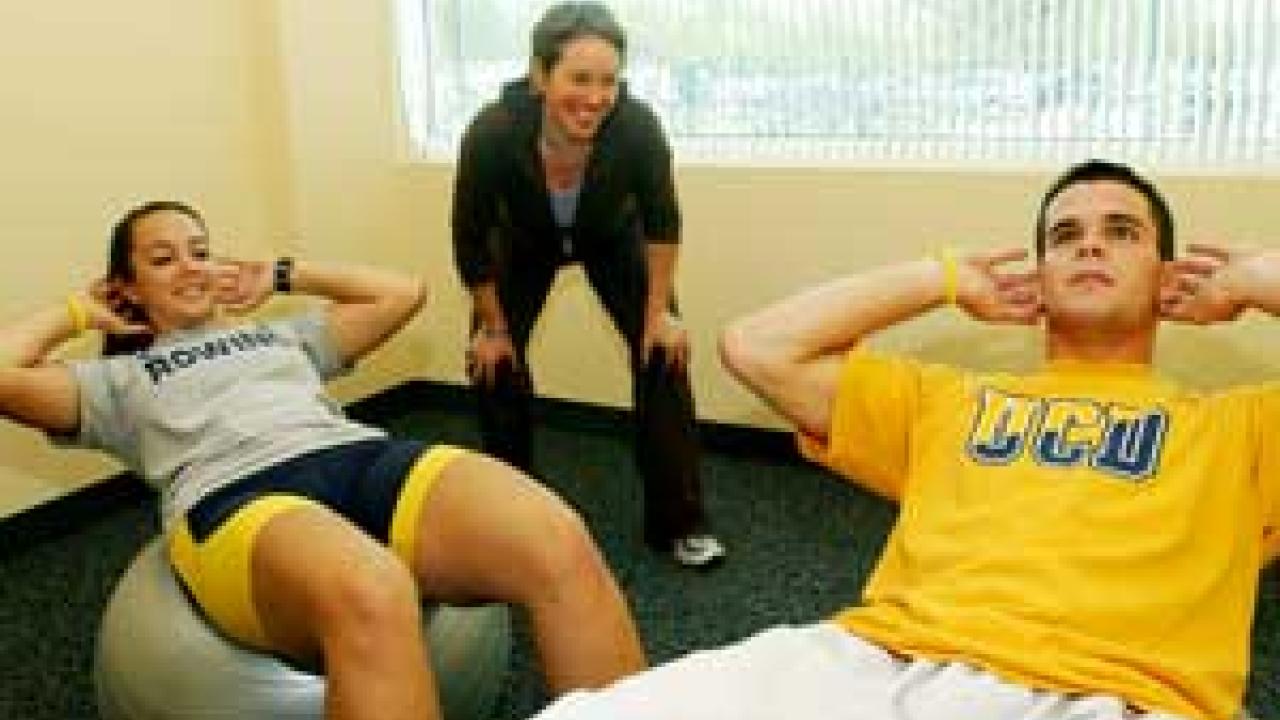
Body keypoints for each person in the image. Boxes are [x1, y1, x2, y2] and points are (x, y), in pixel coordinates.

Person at [524, 159, 1279, 720]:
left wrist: (1256, 279)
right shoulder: (949, 400)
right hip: (882, 668)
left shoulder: (1238, 428)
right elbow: (758, 346)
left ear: (1167, 277)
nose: (1089, 247)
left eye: (1122, 232)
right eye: (1064, 236)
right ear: (1039, 279)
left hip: (1121, 696)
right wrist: (938, 277)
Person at [0, 200, 647, 720]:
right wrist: (78, 312)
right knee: (373, 589)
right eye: (163, 259)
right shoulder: (112, 382)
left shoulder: (279, 335)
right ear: (127, 287)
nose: (191, 267)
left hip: (358, 457)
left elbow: (403, 292)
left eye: (201, 250)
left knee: (557, 537)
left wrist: (281, 275)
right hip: (238, 498)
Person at [450, 1, 724, 568]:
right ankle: (512, 523)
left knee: (663, 351)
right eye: (579, 79)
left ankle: (679, 523)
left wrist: (658, 314)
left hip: (611, 235)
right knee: (493, 361)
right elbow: (469, 236)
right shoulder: (493, 131)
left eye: (608, 81)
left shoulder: (636, 126)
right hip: (523, 239)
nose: (596, 97)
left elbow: (663, 221)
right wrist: (494, 328)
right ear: (539, 75)